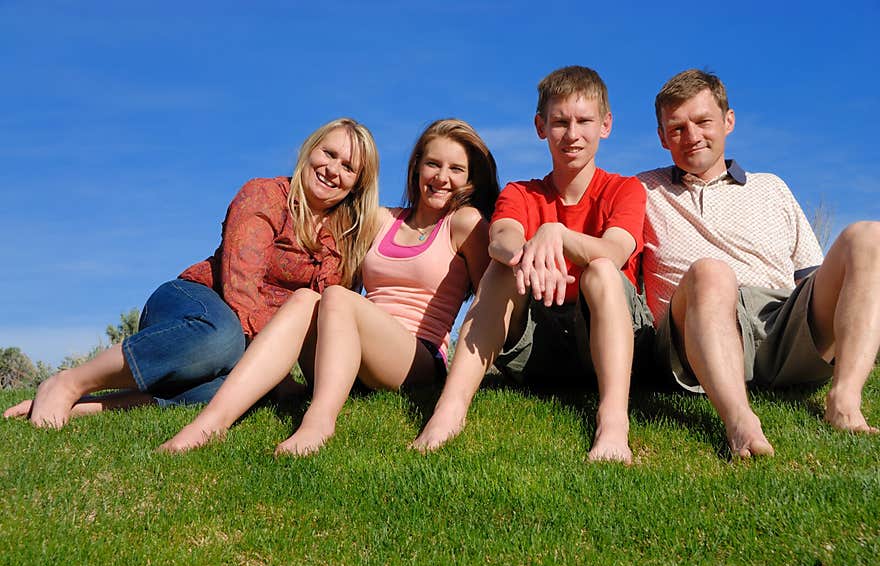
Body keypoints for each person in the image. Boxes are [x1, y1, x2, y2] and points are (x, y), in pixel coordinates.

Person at [3, 118, 381, 429]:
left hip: (251, 341)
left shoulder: (345, 241)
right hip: (197, 302)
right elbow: (240, 290)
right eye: (329, 154)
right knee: (224, 339)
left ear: (357, 185)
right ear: (310, 150)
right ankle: (69, 382)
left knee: (243, 389)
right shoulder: (263, 196)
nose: (333, 170)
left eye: (348, 167)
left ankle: (93, 406)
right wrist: (278, 370)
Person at [158, 118, 500, 456]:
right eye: (433, 164)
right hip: (354, 351)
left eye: (456, 169)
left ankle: (318, 422)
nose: (442, 177)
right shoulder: (381, 220)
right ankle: (210, 423)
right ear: (416, 168)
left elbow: (490, 304)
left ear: (470, 178)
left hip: (416, 357)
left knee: (336, 297)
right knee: (308, 298)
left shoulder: (466, 224)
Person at [411, 66, 654, 464]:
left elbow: (615, 250)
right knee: (501, 269)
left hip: (611, 335)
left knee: (600, 271)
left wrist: (556, 234)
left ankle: (612, 423)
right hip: (539, 341)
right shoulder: (521, 193)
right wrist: (526, 250)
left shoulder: (624, 189)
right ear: (541, 126)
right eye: (559, 122)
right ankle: (448, 412)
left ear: (606, 125)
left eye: (583, 121)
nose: (571, 134)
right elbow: (502, 238)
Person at [637, 68, 880, 459]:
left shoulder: (772, 187)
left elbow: (813, 278)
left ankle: (845, 399)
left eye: (702, 122)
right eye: (677, 128)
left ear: (728, 121)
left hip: (781, 321)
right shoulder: (642, 191)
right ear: (662, 137)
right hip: (697, 330)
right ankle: (740, 421)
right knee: (710, 271)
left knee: (870, 236)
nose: (692, 136)